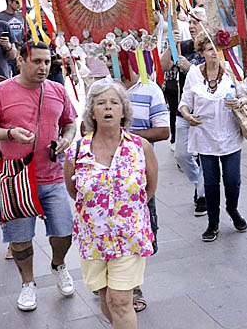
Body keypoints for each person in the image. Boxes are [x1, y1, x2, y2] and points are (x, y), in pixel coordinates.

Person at [0, 41, 78, 312]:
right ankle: (28, 283)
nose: (43, 67)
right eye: (37, 61)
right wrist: (10, 133)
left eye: (47, 62)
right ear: (21, 60)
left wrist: (66, 140)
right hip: (17, 177)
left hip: (53, 175)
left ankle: (59, 265)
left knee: (64, 231)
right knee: (20, 238)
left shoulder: (57, 90)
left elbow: (69, 123)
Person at [64, 81, 157, 329]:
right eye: (101, 103)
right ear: (92, 111)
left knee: (121, 299)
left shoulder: (140, 147)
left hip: (129, 235)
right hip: (93, 237)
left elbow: (149, 189)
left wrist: (124, 213)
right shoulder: (76, 151)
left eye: (114, 103)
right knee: (106, 299)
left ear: (123, 111)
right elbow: (74, 192)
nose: (108, 108)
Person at [178, 31, 247, 242]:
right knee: (210, 182)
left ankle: (232, 209)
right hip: (205, 135)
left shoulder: (232, 72)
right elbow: (184, 102)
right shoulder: (194, 75)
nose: (214, 54)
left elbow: (246, 94)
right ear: (201, 53)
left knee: (233, 181)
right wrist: (187, 115)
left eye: (217, 49)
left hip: (230, 136)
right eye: (209, 49)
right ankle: (213, 222)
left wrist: (241, 101)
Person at [121, 67, 169, 312]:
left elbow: (163, 131)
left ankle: (132, 284)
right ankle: (119, 284)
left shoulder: (150, 89)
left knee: (140, 233)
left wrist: (125, 137)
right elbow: (88, 130)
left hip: (137, 174)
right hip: (104, 178)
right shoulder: (102, 87)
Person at [161, 9, 206, 216]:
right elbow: (163, 66)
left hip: (207, 113)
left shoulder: (214, 48)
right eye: (189, 22)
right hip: (184, 111)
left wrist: (191, 69)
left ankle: (203, 196)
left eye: (196, 21)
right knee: (181, 154)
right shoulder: (184, 46)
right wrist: (172, 45)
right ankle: (200, 184)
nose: (191, 25)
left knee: (206, 155)